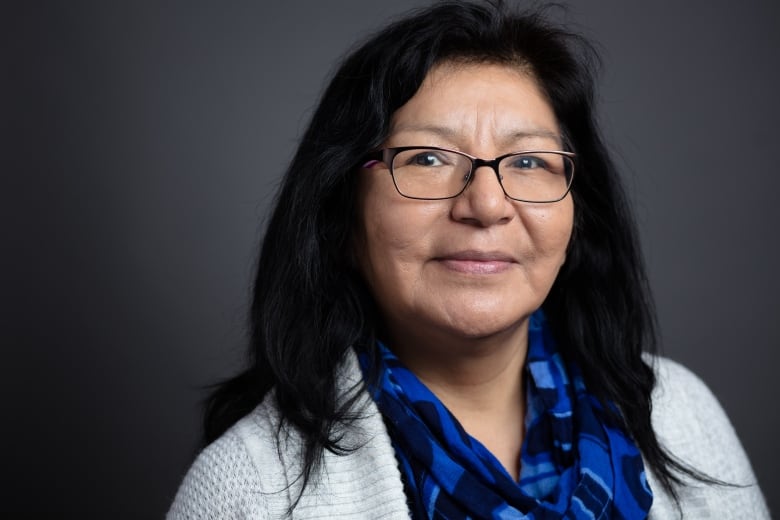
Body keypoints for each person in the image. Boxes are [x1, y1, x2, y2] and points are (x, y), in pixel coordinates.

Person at [168, 1, 768, 518]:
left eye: (529, 161)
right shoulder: (251, 490)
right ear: (341, 215)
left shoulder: (679, 415)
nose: (486, 204)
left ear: (576, 215)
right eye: (428, 158)